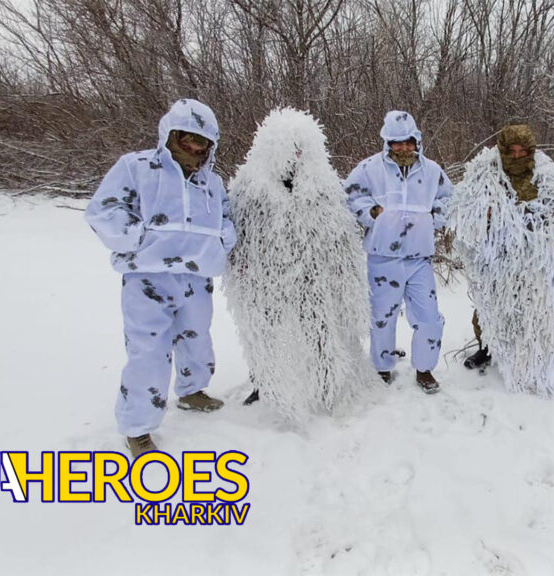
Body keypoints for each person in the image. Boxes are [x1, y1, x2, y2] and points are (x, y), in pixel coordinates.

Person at [85, 99, 236, 457]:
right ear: (172, 134)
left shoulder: (211, 182)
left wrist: (221, 241)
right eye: (188, 138)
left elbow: (227, 218)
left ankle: (191, 390)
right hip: (147, 279)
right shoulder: (136, 167)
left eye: (203, 141)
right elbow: (104, 210)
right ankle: (138, 427)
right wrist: (139, 239)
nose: (196, 147)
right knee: (148, 352)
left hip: (196, 277)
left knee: (197, 340)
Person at [223, 108, 376, 423]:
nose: (294, 154)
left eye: (300, 147)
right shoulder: (249, 190)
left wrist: (343, 277)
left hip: (314, 281)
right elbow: (238, 239)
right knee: (272, 337)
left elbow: (341, 236)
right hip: (268, 283)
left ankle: (328, 388)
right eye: (288, 146)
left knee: (321, 334)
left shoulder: (323, 186)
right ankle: (269, 385)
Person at [449, 124, 554, 397]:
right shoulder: (486, 172)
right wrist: (487, 219)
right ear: (502, 150)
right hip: (496, 256)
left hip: (535, 258)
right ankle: (487, 348)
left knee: (535, 307)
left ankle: (538, 356)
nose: (517, 156)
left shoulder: (543, 172)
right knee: (491, 306)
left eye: (523, 151)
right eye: (512, 151)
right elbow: (467, 206)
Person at [344, 111, 452, 394]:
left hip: (419, 257)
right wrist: (373, 212)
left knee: (429, 317)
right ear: (387, 142)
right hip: (383, 257)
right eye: (397, 143)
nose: (404, 148)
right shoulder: (369, 169)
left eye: (409, 142)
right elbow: (350, 196)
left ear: (417, 141)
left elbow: (449, 199)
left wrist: (433, 219)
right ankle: (382, 368)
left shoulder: (431, 171)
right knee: (382, 316)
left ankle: (425, 369)